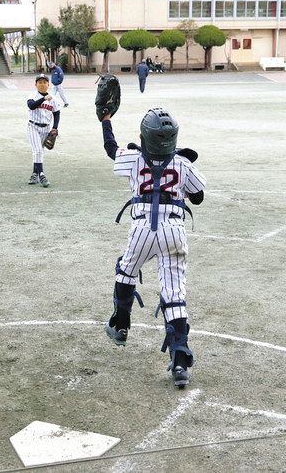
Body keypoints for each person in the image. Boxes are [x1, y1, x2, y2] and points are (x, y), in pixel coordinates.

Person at [99, 107, 206, 388]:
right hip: (174, 231)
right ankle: (180, 362)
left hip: (142, 229)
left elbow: (111, 149)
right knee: (174, 294)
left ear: (143, 136)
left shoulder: (134, 159)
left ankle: (121, 325)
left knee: (126, 271)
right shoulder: (183, 163)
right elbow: (198, 198)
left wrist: (106, 121)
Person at [26, 73, 60, 187]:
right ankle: (41, 174)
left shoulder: (53, 99)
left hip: (46, 129)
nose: (42, 84)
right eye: (40, 82)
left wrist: (55, 127)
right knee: (38, 151)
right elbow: (31, 106)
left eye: (44, 82)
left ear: (48, 85)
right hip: (33, 127)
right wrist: (44, 98)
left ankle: (34, 173)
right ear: (35, 84)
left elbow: (56, 113)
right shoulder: (32, 95)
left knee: (39, 152)